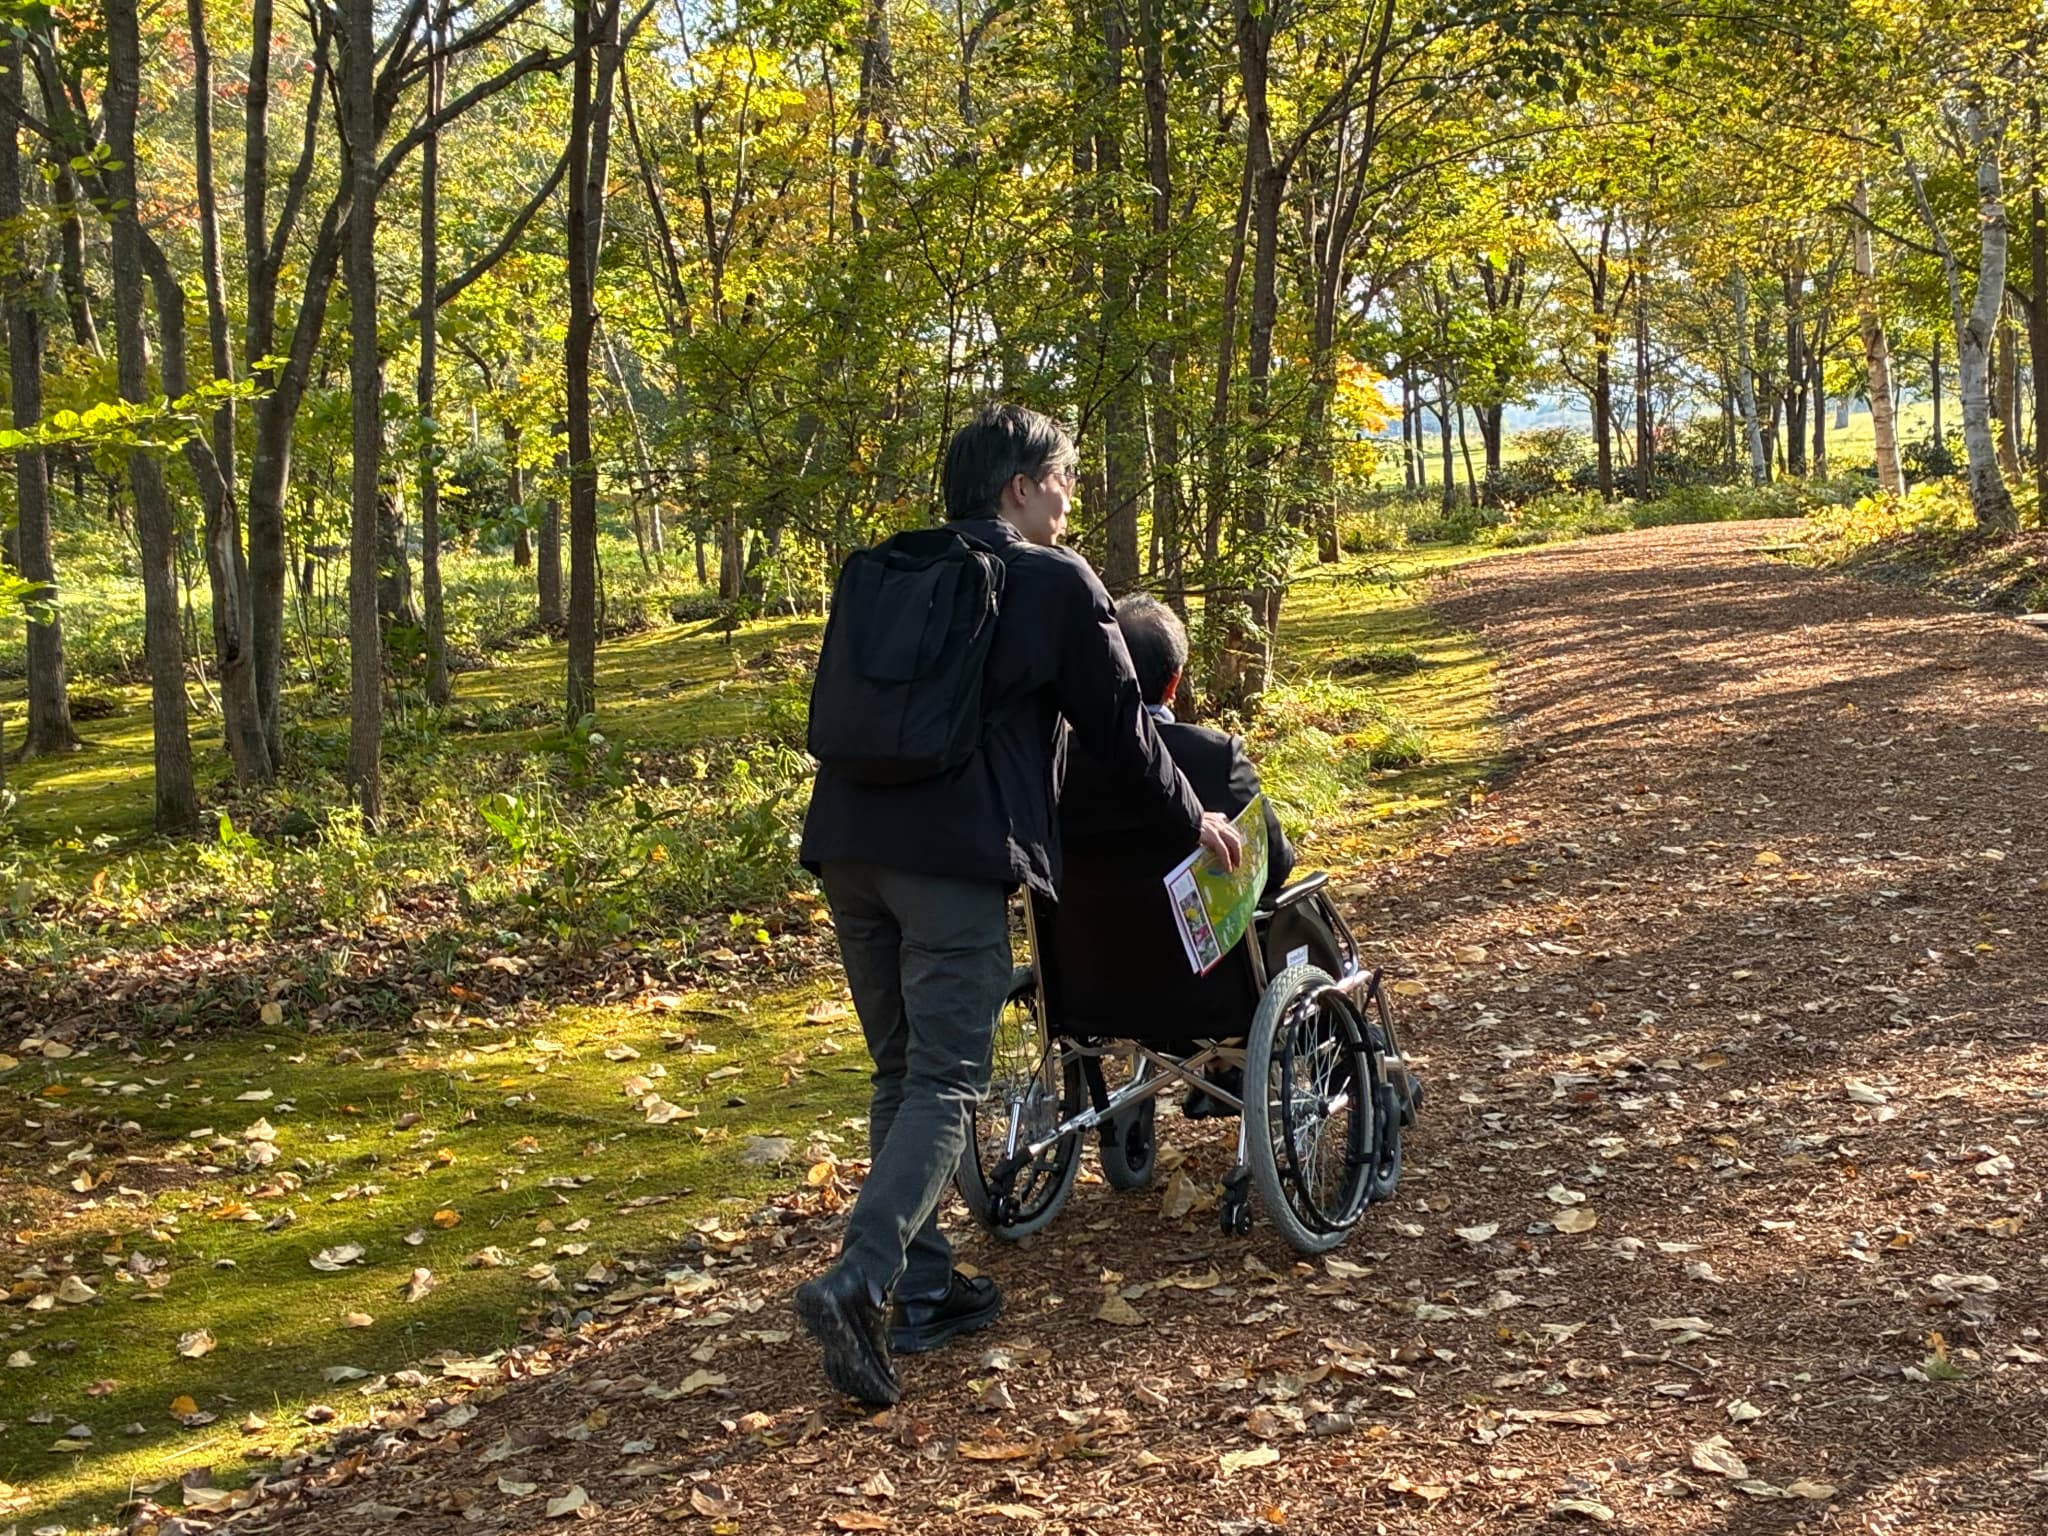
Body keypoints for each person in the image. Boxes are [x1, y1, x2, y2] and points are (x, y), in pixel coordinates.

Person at [796, 404, 1243, 1406]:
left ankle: (922, 1289)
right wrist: (1193, 823)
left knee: (901, 1072)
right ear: (1019, 487)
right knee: (946, 1080)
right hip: (949, 860)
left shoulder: (887, 571)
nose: (1069, 497)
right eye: (1063, 479)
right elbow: (1125, 729)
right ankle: (859, 1279)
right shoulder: (1051, 579)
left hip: (846, 845)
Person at [1059, 594, 1294, 901]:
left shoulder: (1056, 761)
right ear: (1174, 683)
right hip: (1201, 932)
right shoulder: (1215, 756)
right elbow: (1274, 864)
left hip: (1077, 932)